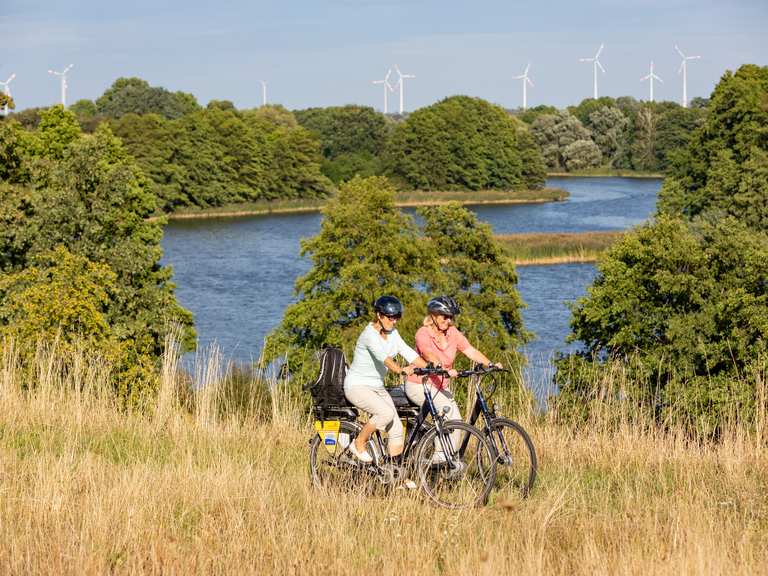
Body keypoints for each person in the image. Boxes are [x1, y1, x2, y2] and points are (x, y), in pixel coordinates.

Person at [405, 296, 501, 460]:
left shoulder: (453, 333)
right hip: (420, 385)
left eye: (451, 317)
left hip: (441, 387)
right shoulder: (423, 333)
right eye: (445, 316)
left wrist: (490, 364)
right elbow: (429, 354)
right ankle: (439, 459)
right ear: (434, 315)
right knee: (451, 419)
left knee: (457, 424)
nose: (448, 320)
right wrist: (441, 367)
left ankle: (450, 459)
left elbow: (470, 350)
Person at [344, 295, 428, 463]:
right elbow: (386, 360)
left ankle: (395, 472)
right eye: (391, 317)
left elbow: (408, 352)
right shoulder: (369, 335)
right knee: (385, 413)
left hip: (377, 387)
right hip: (357, 386)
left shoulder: (393, 334)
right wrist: (401, 370)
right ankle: (359, 442)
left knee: (396, 428)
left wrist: (431, 368)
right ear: (379, 316)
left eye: (397, 317)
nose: (394, 321)